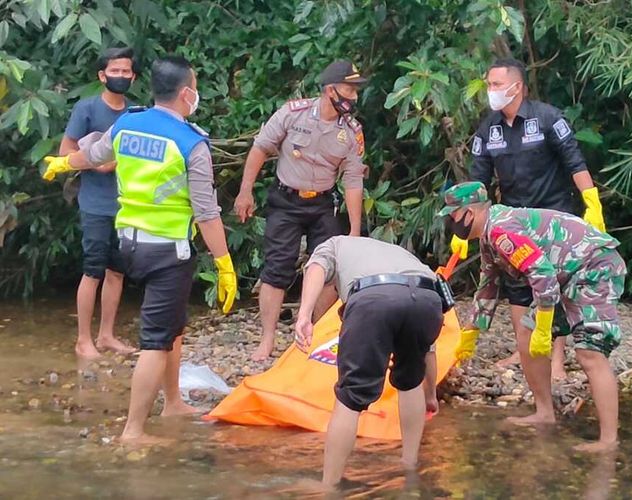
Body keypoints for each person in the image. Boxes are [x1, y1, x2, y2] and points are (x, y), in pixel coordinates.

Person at [42, 55, 237, 444]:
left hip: (129, 243)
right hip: (167, 251)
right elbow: (207, 213)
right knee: (155, 341)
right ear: (186, 93)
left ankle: (173, 401)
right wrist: (224, 263)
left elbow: (93, 156)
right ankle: (133, 431)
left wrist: (63, 164)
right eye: (195, 86)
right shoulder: (191, 144)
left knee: (173, 325)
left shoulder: (126, 123)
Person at [452, 58, 608, 380]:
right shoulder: (488, 129)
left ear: (517, 86)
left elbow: (575, 163)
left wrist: (592, 203)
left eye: (496, 85)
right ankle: (524, 349)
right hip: (513, 219)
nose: (491, 92)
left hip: (553, 216)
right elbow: (478, 180)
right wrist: (464, 223)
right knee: (517, 284)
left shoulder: (548, 118)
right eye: (489, 85)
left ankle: (556, 359)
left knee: (554, 281)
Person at [442, 182, 626, 452]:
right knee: (525, 335)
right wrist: (470, 333)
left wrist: (544, 325)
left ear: (468, 213)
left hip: (593, 267)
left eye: (452, 215)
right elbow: (488, 285)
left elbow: (543, 276)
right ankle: (544, 413)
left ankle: (609, 441)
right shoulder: (489, 236)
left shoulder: (502, 231)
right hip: (565, 274)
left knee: (590, 352)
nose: (450, 222)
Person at [234, 60, 368, 361]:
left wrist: (355, 231)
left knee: (330, 269)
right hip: (286, 200)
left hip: (323, 203)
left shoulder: (352, 131)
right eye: (349, 90)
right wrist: (245, 192)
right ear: (330, 89)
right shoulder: (293, 113)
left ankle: (311, 333)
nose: (354, 97)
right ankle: (267, 339)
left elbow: (353, 181)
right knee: (277, 267)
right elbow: (260, 148)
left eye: (356, 91)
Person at [294, 236, 446, 486]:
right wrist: (430, 395)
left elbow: (316, 267)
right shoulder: (400, 254)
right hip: (428, 298)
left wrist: (304, 315)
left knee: (351, 396)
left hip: (374, 298)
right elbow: (429, 350)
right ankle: (410, 469)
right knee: (410, 382)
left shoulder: (334, 244)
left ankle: (328, 486)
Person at [57, 47, 137, 359]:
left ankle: (106, 335)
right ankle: (83, 340)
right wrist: (97, 163)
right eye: (114, 71)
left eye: (126, 71)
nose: (120, 76)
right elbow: (65, 154)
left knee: (117, 271)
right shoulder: (86, 109)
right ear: (102, 76)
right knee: (93, 271)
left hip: (127, 204)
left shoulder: (135, 113)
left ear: (134, 76)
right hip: (95, 204)